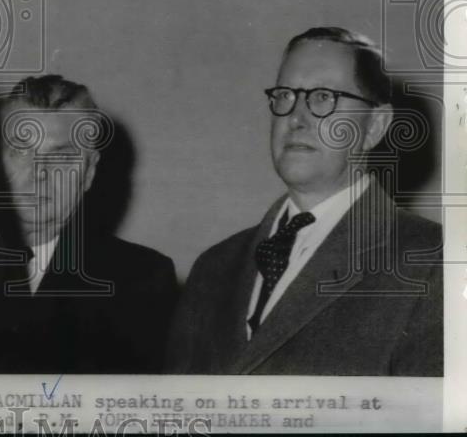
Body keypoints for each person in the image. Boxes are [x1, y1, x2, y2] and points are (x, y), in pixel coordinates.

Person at [166, 27, 443, 375]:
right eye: (285, 95)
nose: (296, 118)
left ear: (375, 126)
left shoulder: (432, 260)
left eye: (324, 97)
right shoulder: (214, 267)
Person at [0, 74, 178, 373]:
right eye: (21, 152)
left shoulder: (140, 281)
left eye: (62, 157)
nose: (39, 173)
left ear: (89, 172)